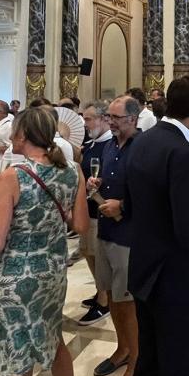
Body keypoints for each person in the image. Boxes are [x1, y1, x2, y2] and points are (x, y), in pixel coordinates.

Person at [0, 107, 86, 376]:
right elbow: (80, 225)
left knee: (16, 353)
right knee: (53, 338)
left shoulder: (13, 176)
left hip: (15, 275)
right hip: (53, 272)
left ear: (22, 135)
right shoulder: (72, 170)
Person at [125, 75, 189, 376]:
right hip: (175, 280)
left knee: (149, 363)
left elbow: (143, 202)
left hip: (144, 271)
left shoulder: (143, 140)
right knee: (177, 368)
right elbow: (188, 231)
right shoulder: (181, 151)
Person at [89, 95, 141, 376]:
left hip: (128, 235)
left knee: (128, 300)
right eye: (108, 117)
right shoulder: (110, 145)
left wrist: (123, 205)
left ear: (133, 119)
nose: (110, 122)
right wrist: (96, 184)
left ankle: (136, 360)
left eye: (115, 118)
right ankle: (122, 348)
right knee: (112, 296)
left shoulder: (142, 147)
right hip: (106, 230)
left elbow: (148, 190)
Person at [77, 101, 113, 326]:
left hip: (100, 208)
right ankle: (100, 291)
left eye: (89, 118)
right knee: (88, 252)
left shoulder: (110, 144)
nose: (85, 123)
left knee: (99, 257)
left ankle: (104, 300)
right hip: (86, 206)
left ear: (103, 119)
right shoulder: (90, 144)